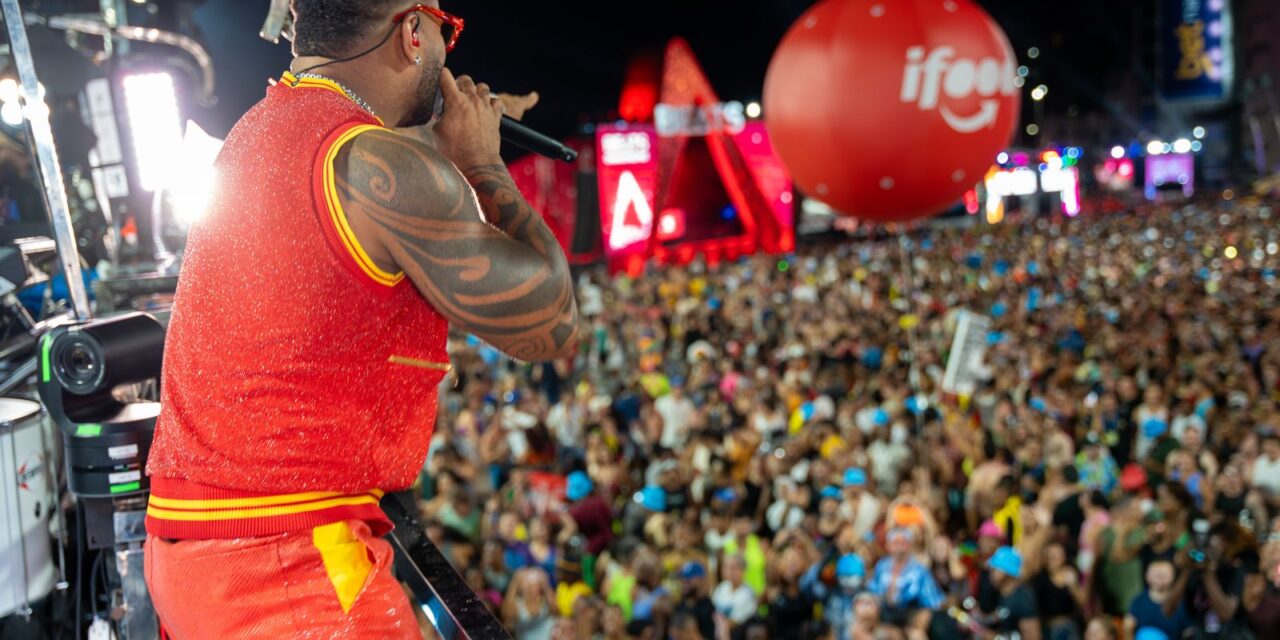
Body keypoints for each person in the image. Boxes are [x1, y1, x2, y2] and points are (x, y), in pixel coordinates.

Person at [143, 2, 578, 637]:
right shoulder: (380, 165)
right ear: (410, 32)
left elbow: (369, 175)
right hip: (285, 567)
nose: (448, 52)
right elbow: (554, 320)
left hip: (207, 554)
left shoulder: (259, 127)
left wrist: (439, 142)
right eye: (445, 31)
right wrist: (483, 165)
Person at [1124, 560, 1194, 640]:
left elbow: (1188, 631)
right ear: (1146, 575)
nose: (1160, 576)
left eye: (1165, 574)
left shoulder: (1180, 604)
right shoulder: (1138, 600)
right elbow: (1128, 626)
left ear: (1174, 576)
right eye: (1156, 573)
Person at [987, 546, 1041, 640]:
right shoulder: (1004, 594)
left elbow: (1033, 637)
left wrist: (991, 637)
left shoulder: (1022, 599)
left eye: (995, 568)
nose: (991, 572)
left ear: (1008, 570)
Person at [712, 554, 759, 627]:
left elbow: (738, 622)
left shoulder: (748, 594)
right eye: (726, 567)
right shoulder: (721, 588)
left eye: (733, 567)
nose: (728, 571)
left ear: (742, 570)